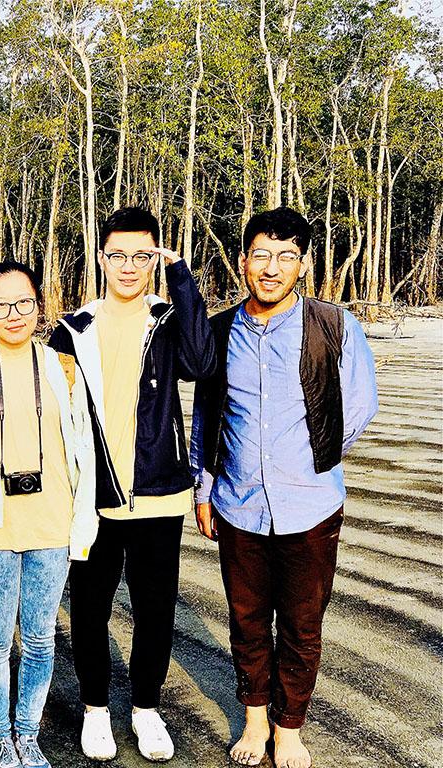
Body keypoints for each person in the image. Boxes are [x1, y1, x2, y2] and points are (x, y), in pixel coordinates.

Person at [191, 207, 377, 768]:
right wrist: (204, 489)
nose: (271, 268)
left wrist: (313, 457)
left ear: (302, 264)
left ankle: (289, 726)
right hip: (237, 503)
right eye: (261, 255)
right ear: (244, 260)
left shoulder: (334, 325)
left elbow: (360, 406)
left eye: (286, 256)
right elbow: (206, 416)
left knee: (301, 622)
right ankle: (253, 719)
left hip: (311, 503)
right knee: (246, 618)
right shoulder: (220, 331)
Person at [47, 207, 215, 762]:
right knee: (90, 611)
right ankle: (96, 709)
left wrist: (183, 278)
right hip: (93, 496)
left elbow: (201, 361)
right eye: (117, 254)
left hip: (160, 491)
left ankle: (145, 708)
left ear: (155, 258)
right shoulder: (73, 328)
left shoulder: (169, 320)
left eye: (142, 255)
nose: (128, 266)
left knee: (155, 610)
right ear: (101, 257)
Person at [0, 262, 98, 768]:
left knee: (38, 638)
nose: (13, 315)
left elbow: (84, 452)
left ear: (40, 305)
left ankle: (27, 735)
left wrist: (83, 526)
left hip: (52, 523)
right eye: (1, 306)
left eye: (24, 303)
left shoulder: (64, 368)